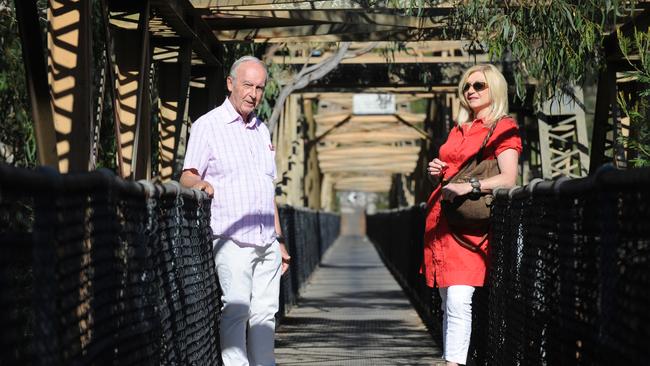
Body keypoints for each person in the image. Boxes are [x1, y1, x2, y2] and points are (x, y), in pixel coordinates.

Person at [180, 55, 291, 366]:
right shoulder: (208, 126)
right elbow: (186, 174)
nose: (253, 94)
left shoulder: (262, 131)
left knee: (265, 314)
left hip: (266, 241)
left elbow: (269, 190)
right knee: (237, 310)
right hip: (231, 237)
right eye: (246, 85)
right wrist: (199, 183)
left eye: (259, 87)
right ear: (230, 84)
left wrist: (279, 241)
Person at [424, 64, 521, 366]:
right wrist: (436, 171)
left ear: (495, 89)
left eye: (479, 85)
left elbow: (508, 178)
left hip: (471, 227)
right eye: (467, 86)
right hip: (442, 222)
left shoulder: (503, 127)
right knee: (446, 300)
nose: (471, 91)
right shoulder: (458, 130)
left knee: (458, 299)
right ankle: (451, 359)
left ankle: (454, 363)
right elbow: (450, 174)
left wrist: (470, 186)